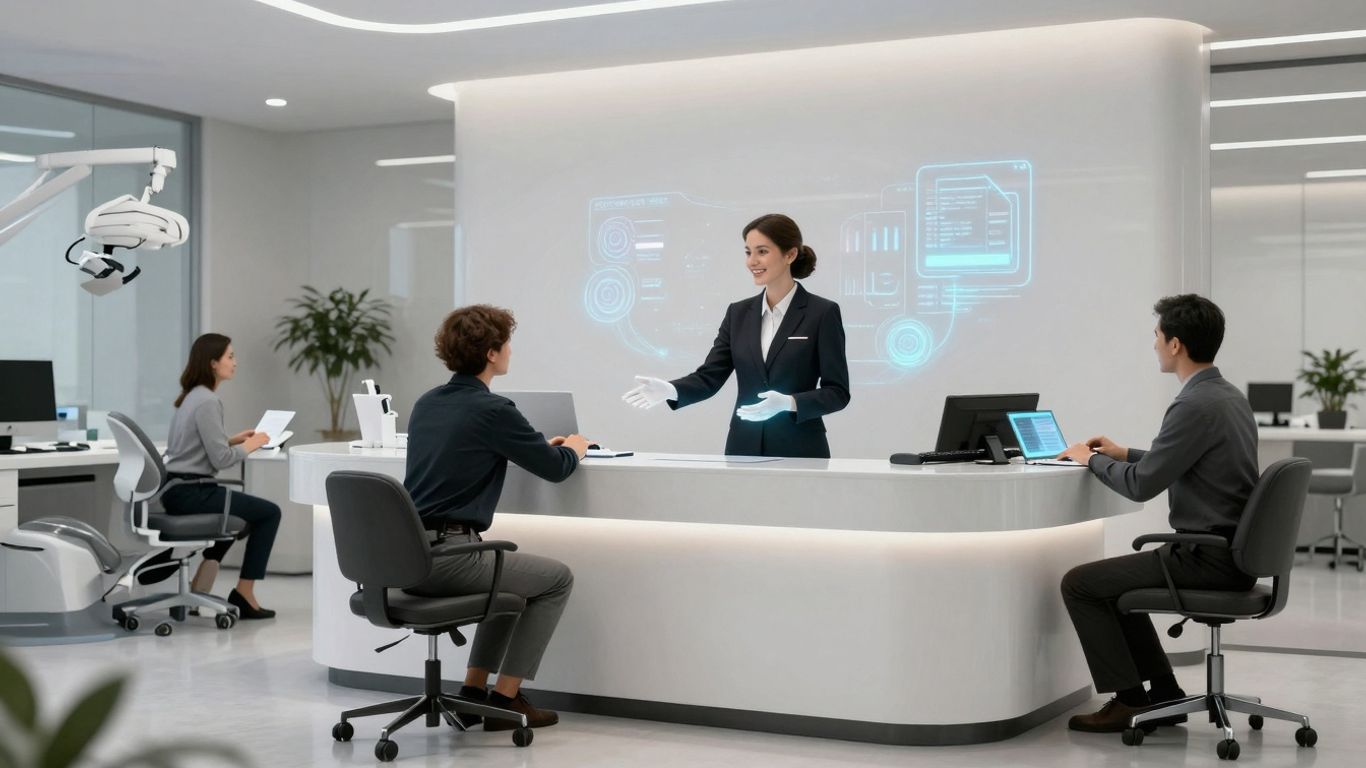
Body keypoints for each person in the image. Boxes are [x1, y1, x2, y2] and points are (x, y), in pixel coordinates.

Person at [1056, 294, 1258, 733]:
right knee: (1115, 586)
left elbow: (1142, 484)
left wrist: (1087, 459)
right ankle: (1164, 694)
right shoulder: (1227, 397)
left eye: (1156, 336)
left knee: (1081, 584)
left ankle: (1128, 701)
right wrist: (1122, 451)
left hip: (1207, 558)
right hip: (1233, 554)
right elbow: (1188, 460)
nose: (1153, 344)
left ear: (1175, 345)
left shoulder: (1192, 404)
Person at [404, 304, 586, 731]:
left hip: (407, 557)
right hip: (452, 559)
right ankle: (507, 699)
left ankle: (472, 693)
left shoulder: (427, 403)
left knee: (512, 585)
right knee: (556, 578)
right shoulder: (493, 410)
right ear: (491, 353)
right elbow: (555, 469)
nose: (509, 351)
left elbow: (469, 449)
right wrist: (574, 448)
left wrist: (539, 445)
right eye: (506, 344)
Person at [621, 213, 851, 458]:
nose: (752, 261)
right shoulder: (738, 313)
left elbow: (837, 392)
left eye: (762, 251)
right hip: (743, 446)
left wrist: (788, 403)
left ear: (790, 255)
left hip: (801, 448)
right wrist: (670, 389)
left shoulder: (822, 313)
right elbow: (710, 376)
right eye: (748, 252)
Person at [162, 333, 281, 620]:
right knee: (268, 513)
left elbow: (196, 448)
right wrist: (251, 446)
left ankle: (199, 585)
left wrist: (232, 440)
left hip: (178, 488)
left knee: (239, 514)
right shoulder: (208, 402)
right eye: (230, 356)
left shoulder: (192, 397)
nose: (235, 363)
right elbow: (221, 461)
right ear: (213, 363)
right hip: (193, 491)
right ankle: (245, 593)